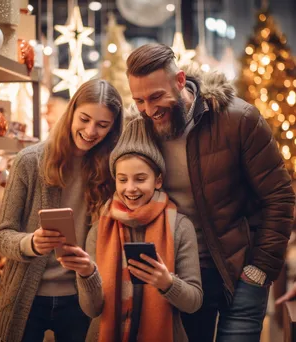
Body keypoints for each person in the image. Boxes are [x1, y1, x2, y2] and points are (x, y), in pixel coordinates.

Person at [124, 43, 295, 342]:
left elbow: (279, 196)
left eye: (156, 97)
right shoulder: (141, 130)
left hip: (241, 271)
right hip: (182, 277)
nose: (149, 110)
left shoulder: (238, 119)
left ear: (180, 81)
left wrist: (260, 270)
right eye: (139, 100)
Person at [0, 79, 123, 342]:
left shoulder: (112, 170)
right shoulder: (30, 161)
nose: (90, 131)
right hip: (26, 298)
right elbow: (2, 237)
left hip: (81, 298)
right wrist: (31, 243)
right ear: (71, 112)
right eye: (84, 119)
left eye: (102, 125)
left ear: (113, 128)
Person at [59, 117, 203, 342]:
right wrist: (87, 274)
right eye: (122, 179)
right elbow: (92, 310)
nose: (130, 188)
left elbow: (194, 302)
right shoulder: (99, 230)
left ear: (158, 180)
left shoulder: (180, 227)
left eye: (140, 179)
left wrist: (167, 282)